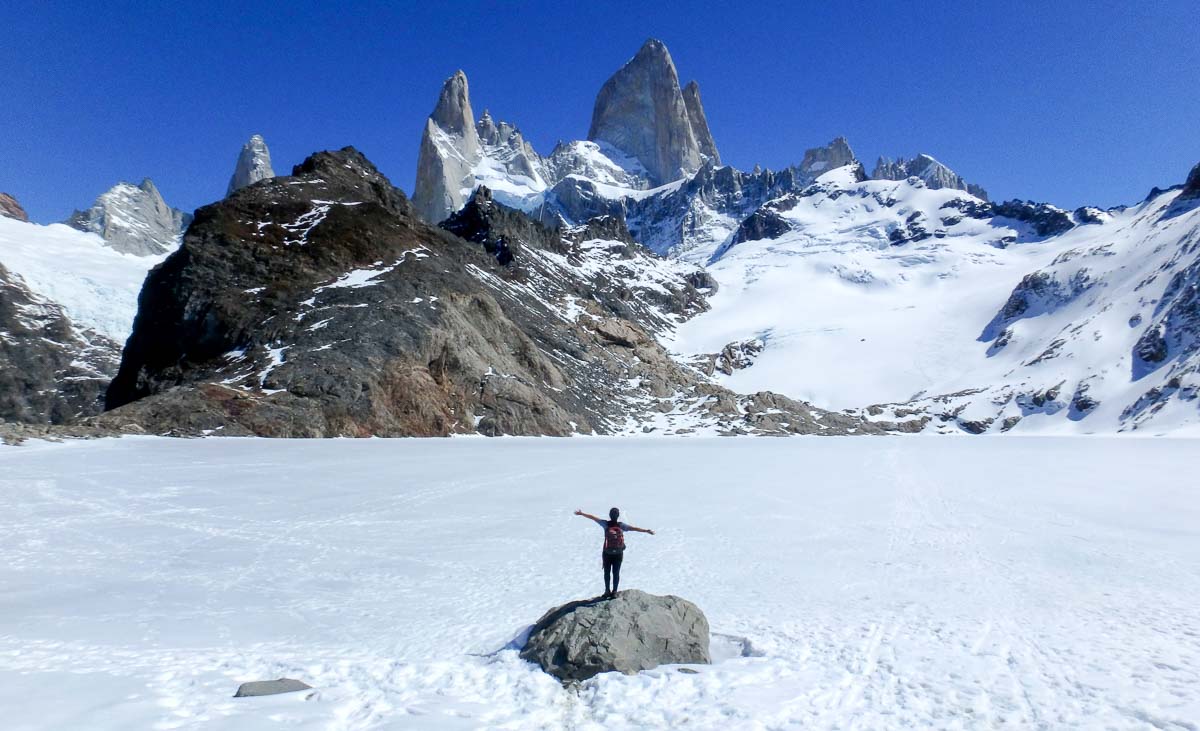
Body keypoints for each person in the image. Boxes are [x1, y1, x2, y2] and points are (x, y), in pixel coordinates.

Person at [574, 507, 654, 599]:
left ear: (610, 515)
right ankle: (614, 591)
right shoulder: (621, 526)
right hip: (618, 553)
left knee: (607, 572)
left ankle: (607, 591)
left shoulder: (605, 524)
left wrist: (582, 513)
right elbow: (633, 528)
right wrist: (646, 531)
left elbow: (593, 518)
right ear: (618, 516)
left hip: (607, 553)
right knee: (616, 572)